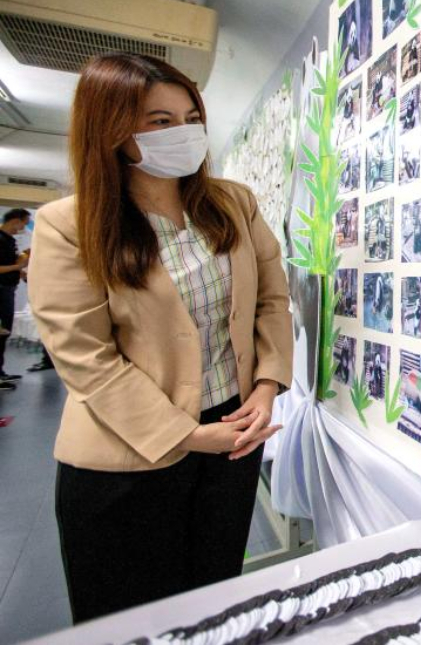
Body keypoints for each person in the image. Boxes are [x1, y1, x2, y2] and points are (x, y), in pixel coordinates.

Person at [28, 53, 293, 623]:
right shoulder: (67, 226)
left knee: (213, 604)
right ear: (113, 129)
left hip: (233, 439)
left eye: (191, 115)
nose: (185, 132)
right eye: (160, 121)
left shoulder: (232, 204)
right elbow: (87, 359)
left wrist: (267, 387)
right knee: (131, 624)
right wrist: (187, 437)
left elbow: (271, 301)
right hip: (125, 460)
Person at [0, 207, 31, 388]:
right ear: (15, 221)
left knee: (4, 333)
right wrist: (18, 266)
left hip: (7, 290)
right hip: (1, 291)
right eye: (23, 225)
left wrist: (22, 272)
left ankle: (1, 372)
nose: (23, 229)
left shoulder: (8, 241)